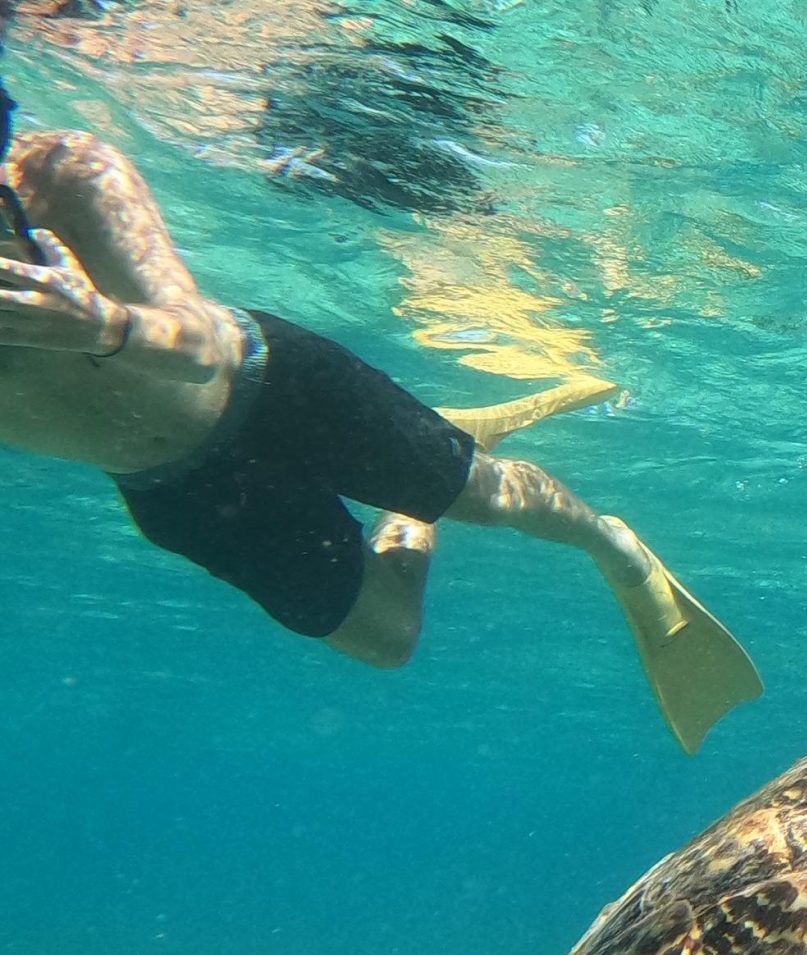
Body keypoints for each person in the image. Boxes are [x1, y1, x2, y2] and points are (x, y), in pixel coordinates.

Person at [0, 107, 758, 751]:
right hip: (179, 488)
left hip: (271, 387)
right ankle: (429, 475)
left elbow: (199, 347)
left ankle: (613, 545)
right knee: (385, 640)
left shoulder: (63, 175)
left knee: (494, 498)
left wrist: (101, 323)